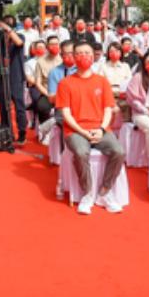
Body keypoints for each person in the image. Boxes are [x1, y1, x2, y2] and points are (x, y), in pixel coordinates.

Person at [55, 41, 125, 214]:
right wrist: (83, 131)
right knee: (80, 152)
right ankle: (87, 193)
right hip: (76, 130)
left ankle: (105, 191)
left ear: (94, 56)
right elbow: (66, 114)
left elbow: (108, 109)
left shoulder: (102, 82)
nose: (83, 57)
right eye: (78, 53)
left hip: (100, 128)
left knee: (119, 152)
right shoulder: (66, 83)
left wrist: (101, 129)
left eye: (87, 53)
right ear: (73, 57)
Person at [0, 14, 27, 144]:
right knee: (3, 105)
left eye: (7, 24)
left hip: (15, 75)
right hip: (2, 75)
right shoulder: (0, 39)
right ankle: (7, 131)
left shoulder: (19, 36)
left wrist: (6, 28)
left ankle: (22, 132)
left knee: (18, 105)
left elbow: (19, 42)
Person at [125, 49, 149, 158]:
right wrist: (147, 111)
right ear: (144, 64)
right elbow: (133, 99)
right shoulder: (138, 77)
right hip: (141, 114)